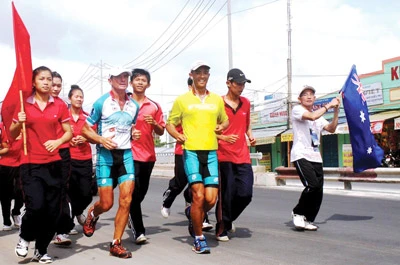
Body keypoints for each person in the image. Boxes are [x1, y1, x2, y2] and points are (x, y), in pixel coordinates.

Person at [166, 60, 229, 254]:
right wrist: (177, 135)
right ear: (191, 74)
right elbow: (169, 123)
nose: (202, 76)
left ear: (208, 76)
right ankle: (199, 238)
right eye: (198, 72)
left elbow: (225, 120)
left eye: (205, 72)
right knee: (198, 195)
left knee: (210, 199)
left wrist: (222, 126)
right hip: (191, 151)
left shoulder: (216, 99)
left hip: (211, 153)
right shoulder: (182, 100)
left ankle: (193, 214)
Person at [12, 66, 72, 263]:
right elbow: (12, 134)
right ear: (33, 82)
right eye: (42, 79)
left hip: (53, 163)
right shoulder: (24, 104)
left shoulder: (59, 105)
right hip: (30, 164)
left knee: (52, 211)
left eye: (49, 79)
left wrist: (58, 142)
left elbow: (68, 132)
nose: (46, 82)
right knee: (36, 206)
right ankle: (24, 237)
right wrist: (16, 122)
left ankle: (41, 250)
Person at [81, 66, 140, 259]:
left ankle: (116, 243)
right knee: (106, 203)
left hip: (126, 156)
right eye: (119, 76)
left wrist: (133, 132)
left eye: (126, 76)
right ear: (110, 80)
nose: (123, 79)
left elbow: (129, 127)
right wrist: (101, 140)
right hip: (106, 157)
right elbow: (85, 130)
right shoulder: (101, 103)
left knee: (127, 200)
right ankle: (92, 214)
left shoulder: (134, 106)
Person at [160, 78, 213, 232]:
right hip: (183, 150)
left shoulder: (208, 104)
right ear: (190, 86)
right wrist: (178, 135)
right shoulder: (183, 104)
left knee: (200, 184)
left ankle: (202, 219)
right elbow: (170, 125)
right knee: (180, 181)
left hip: (203, 150)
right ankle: (168, 200)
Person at [290, 85, 340, 231]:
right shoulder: (297, 110)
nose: (309, 96)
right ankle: (298, 212)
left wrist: (336, 110)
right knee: (312, 185)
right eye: (305, 94)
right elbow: (312, 116)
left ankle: (309, 219)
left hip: (315, 156)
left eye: (311, 94)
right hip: (301, 154)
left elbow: (331, 129)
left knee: (318, 190)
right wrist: (329, 104)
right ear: (300, 99)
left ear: (315, 98)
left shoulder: (319, 117)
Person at [215, 68, 256, 242]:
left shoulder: (246, 103)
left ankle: (228, 218)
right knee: (227, 194)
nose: (241, 87)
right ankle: (221, 228)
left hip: (242, 156)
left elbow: (247, 124)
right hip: (223, 155)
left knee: (246, 194)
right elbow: (207, 130)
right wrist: (222, 136)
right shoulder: (217, 103)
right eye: (238, 83)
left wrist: (250, 135)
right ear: (228, 83)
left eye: (243, 84)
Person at [128, 68, 165, 244]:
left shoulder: (154, 106)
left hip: (148, 155)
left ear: (148, 84)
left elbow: (161, 130)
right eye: (137, 79)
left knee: (141, 193)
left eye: (143, 80)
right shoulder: (123, 104)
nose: (140, 82)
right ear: (131, 83)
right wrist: (129, 133)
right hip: (129, 154)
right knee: (134, 194)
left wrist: (155, 123)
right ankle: (139, 230)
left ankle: (129, 213)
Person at [51, 71, 76, 246]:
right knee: (46, 193)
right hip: (43, 154)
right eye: (53, 84)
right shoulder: (33, 103)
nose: (55, 88)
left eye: (58, 85)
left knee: (61, 191)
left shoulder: (62, 105)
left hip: (63, 152)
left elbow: (69, 129)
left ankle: (61, 231)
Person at [67, 85, 93, 232]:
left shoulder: (88, 117)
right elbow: (56, 134)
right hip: (68, 159)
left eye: (81, 96)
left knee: (86, 193)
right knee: (70, 192)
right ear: (70, 98)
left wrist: (85, 138)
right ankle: (69, 224)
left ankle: (77, 211)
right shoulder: (64, 116)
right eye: (76, 96)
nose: (79, 99)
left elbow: (95, 135)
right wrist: (67, 138)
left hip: (85, 159)